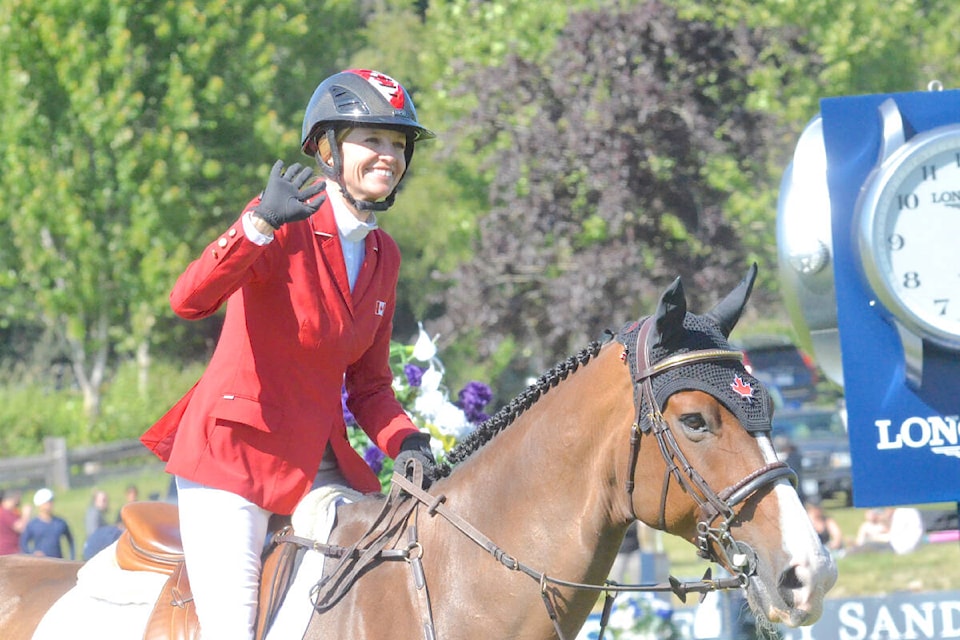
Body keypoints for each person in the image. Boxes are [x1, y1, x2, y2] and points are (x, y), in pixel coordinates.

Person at [139, 68, 437, 640]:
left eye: (398, 144)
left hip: (317, 466)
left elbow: (369, 387)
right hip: (233, 461)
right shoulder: (280, 218)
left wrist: (409, 441)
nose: (389, 155)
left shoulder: (384, 254)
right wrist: (256, 224)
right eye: (371, 139)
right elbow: (187, 301)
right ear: (326, 148)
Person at [20, 488, 75, 560]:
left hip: (58, 562)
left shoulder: (60, 523)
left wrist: (71, 559)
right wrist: (32, 553)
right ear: (40, 505)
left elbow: (71, 541)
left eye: (51, 501)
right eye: (47, 502)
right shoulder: (33, 525)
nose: (50, 504)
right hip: (40, 564)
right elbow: (23, 543)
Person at [0, 489, 31, 555]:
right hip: (8, 552)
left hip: (13, 551)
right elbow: (20, 528)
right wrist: (26, 514)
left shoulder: (12, 512)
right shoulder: (4, 512)